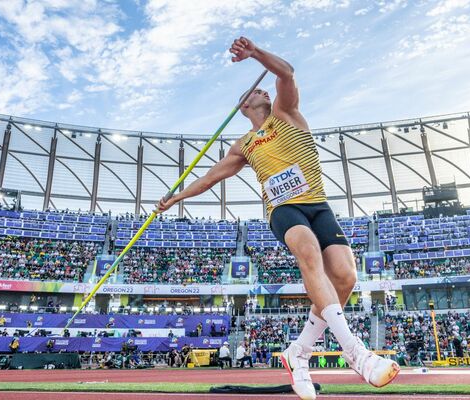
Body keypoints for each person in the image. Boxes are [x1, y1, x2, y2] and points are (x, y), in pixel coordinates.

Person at [157, 36, 398, 400]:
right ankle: (356, 353)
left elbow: (286, 72)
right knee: (309, 252)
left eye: (265, 92)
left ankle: (298, 353)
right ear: (245, 105)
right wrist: (175, 198)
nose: (263, 94)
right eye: (256, 94)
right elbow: (209, 179)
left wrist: (255, 54)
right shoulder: (242, 145)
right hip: (283, 209)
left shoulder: (286, 113)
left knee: (345, 276)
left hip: (318, 203)